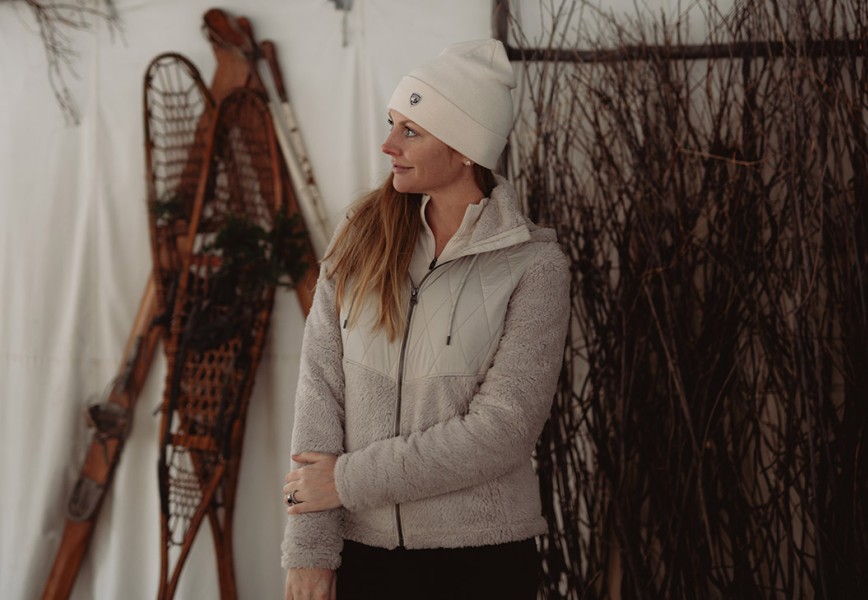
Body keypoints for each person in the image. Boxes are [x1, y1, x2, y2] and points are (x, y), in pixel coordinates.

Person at [280, 38, 570, 600]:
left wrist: (343, 482)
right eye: (392, 123)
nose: (388, 144)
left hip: (481, 564)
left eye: (410, 130)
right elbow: (317, 397)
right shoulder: (360, 237)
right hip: (364, 559)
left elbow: (502, 432)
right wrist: (309, 548)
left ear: (466, 148)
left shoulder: (534, 267)